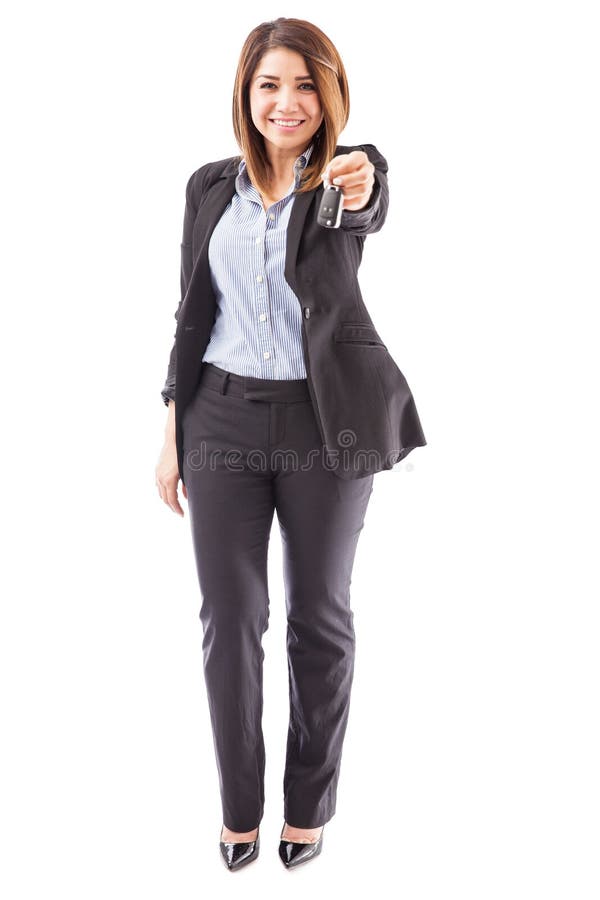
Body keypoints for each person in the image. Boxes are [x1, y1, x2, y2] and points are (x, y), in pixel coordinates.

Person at [155, 17, 426, 871]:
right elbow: (191, 313)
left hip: (323, 424)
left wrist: (359, 176)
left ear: (329, 95)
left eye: (306, 85)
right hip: (220, 421)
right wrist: (171, 427)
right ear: (246, 90)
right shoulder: (208, 188)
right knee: (229, 621)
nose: (288, 102)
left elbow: (369, 196)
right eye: (271, 84)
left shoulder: (348, 175)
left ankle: (307, 807)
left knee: (319, 618)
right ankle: (240, 808)